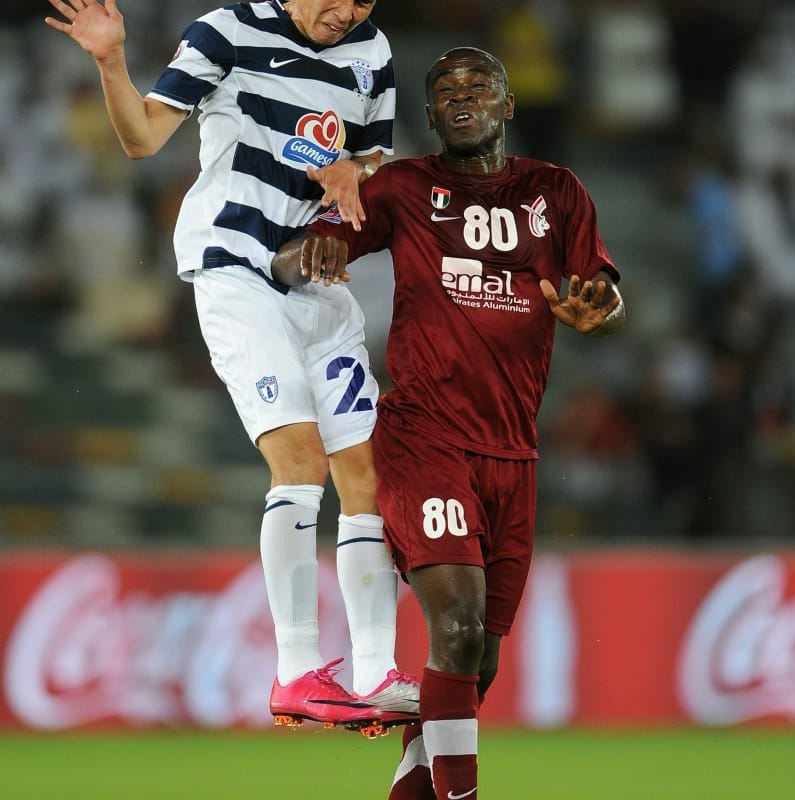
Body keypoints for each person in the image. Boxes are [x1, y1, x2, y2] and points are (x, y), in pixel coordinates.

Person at [44, 0, 418, 732]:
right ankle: (296, 671)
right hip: (236, 269)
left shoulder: (372, 52)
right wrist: (111, 61)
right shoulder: (228, 31)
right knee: (300, 460)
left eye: (365, 0)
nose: (349, 12)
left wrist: (356, 175)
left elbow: (373, 162)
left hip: (316, 280)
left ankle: (376, 673)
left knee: (370, 477)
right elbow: (143, 138)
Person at [272, 46, 625, 798]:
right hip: (424, 438)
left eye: (479, 85)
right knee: (457, 630)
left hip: (513, 452)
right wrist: (314, 249)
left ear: (507, 104)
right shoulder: (403, 187)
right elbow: (292, 258)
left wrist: (604, 307)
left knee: (476, 663)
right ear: (431, 116)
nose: (463, 97)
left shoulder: (556, 191)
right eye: (446, 91)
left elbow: (602, 288)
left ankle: (412, 789)